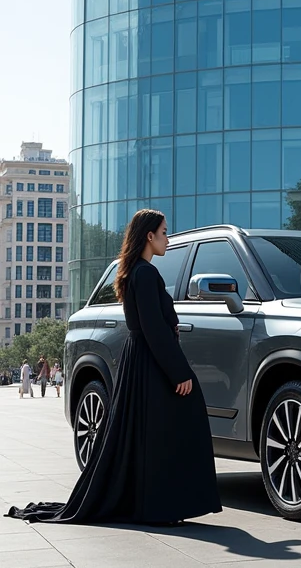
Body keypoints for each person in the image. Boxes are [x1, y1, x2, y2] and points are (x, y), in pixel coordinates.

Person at [5, 209, 222, 526]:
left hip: (141, 360)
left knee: (151, 433)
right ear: (149, 236)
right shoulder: (145, 274)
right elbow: (153, 329)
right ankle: (161, 505)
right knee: (176, 423)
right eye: (163, 232)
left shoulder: (135, 271)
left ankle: (158, 504)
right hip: (150, 361)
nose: (167, 238)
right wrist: (180, 373)